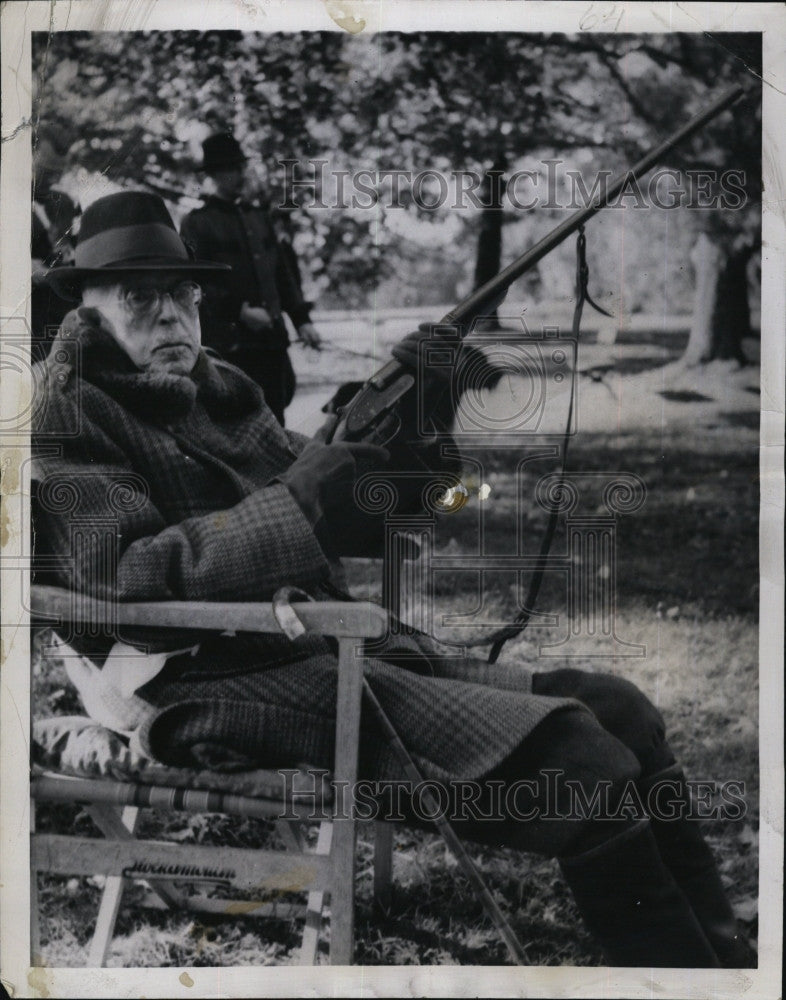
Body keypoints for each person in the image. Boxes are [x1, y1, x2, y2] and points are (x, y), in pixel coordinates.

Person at [33, 190, 754, 969]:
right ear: (88, 307)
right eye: (140, 296)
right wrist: (301, 499)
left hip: (308, 646)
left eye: (183, 293)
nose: (171, 316)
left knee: (624, 714)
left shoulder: (222, 387)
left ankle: (724, 969)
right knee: (583, 764)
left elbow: (347, 510)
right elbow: (126, 577)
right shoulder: (68, 412)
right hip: (196, 685)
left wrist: (411, 416)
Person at [179, 131, 322, 425]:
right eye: (233, 168)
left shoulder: (260, 218)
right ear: (215, 174)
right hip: (231, 348)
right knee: (238, 425)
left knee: (276, 418)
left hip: (272, 344)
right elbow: (195, 283)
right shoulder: (198, 223)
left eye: (241, 167)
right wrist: (240, 311)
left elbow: (282, 277)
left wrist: (302, 322)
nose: (241, 174)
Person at [31, 126, 80, 349]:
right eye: (46, 170)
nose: (55, 178)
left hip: (64, 321)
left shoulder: (66, 204)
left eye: (59, 172)